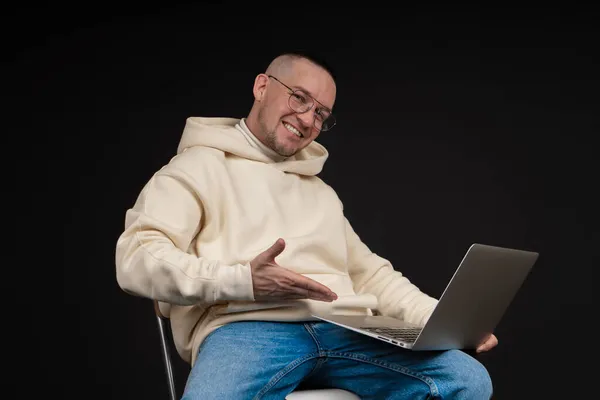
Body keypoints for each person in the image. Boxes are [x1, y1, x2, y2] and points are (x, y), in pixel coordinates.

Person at [115, 52, 497, 399]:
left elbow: (372, 276)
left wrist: (444, 323)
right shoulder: (196, 169)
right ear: (262, 87)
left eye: (320, 113)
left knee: (467, 379)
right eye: (299, 97)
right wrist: (244, 280)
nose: (307, 118)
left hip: (346, 331)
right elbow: (137, 256)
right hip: (247, 331)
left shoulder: (321, 193)